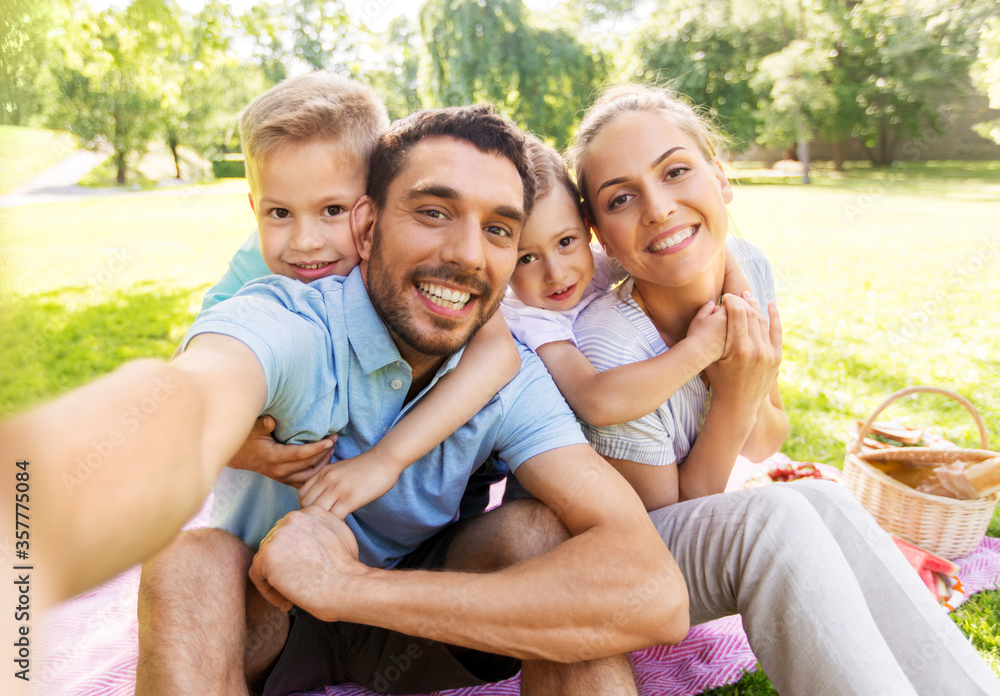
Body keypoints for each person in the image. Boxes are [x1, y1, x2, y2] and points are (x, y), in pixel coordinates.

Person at [125, 104, 685, 695]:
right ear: (367, 228)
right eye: (433, 212)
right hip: (265, 616)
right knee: (188, 562)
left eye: (497, 229)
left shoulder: (512, 373)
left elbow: (654, 597)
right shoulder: (293, 320)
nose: (469, 254)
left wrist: (348, 589)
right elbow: (211, 375)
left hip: (419, 627)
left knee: (541, 539)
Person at [568, 83, 1000, 694]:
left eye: (676, 171)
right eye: (621, 198)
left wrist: (746, 382)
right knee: (771, 518)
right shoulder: (612, 348)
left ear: (721, 178)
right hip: (628, 560)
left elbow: (768, 439)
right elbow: (677, 521)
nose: (659, 208)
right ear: (601, 239)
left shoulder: (751, 266)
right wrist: (734, 390)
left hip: (690, 523)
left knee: (827, 502)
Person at [193, 72, 521, 522]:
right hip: (263, 521)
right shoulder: (257, 266)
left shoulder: (408, 267)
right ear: (256, 210)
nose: (305, 242)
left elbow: (497, 353)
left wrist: (388, 458)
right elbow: (208, 359)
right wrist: (234, 448)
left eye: (333, 210)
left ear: (375, 207)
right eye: (280, 212)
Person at [502, 137, 751, 450]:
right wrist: (700, 348)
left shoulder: (595, 262)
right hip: (552, 455)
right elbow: (594, 401)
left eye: (565, 241)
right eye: (526, 258)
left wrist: (742, 310)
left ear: (588, 228)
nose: (556, 273)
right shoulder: (529, 318)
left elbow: (706, 252)